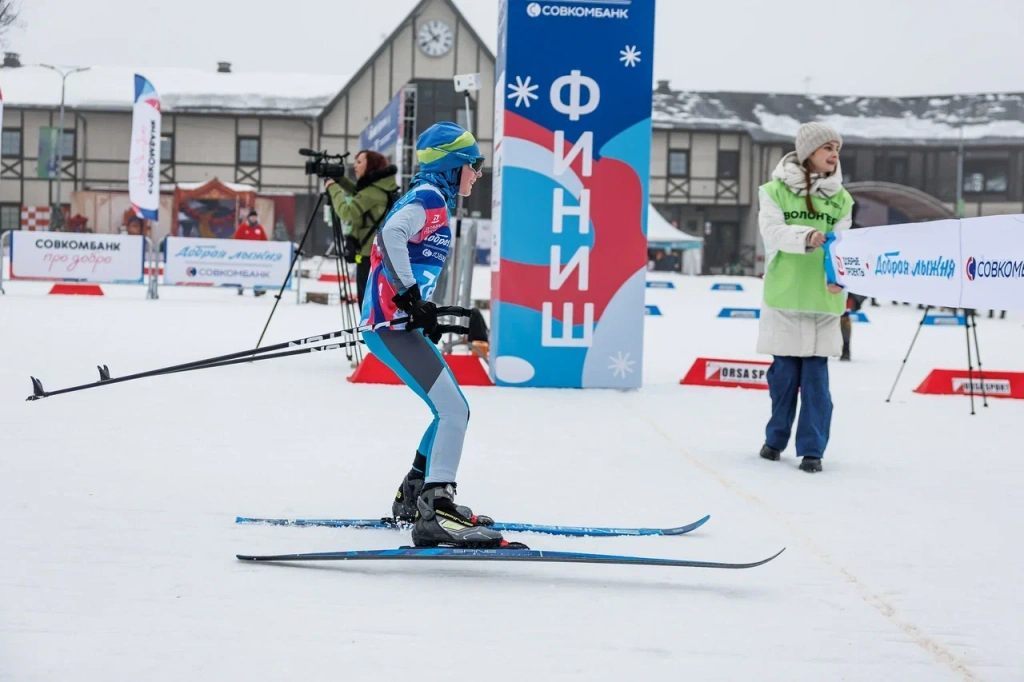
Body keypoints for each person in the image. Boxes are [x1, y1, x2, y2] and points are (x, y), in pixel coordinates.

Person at [359, 121, 496, 548]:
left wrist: (418, 309)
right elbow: (391, 235)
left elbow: (399, 248)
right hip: (391, 330)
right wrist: (411, 298)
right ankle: (435, 509)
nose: (477, 171)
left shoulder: (432, 198)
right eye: (473, 163)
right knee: (454, 411)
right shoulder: (429, 197)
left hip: (397, 328)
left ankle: (417, 495)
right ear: (454, 166)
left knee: (451, 410)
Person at [756, 122, 853, 474]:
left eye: (837, 149)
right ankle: (775, 439)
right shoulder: (772, 190)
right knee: (783, 378)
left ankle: (812, 449)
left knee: (816, 382)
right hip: (785, 294)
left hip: (823, 299)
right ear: (809, 151)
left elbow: (844, 245)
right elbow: (772, 231)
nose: (834, 155)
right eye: (827, 148)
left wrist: (839, 278)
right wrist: (806, 235)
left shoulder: (842, 199)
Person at [324, 150, 399, 309]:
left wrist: (333, 187)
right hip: (379, 254)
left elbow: (346, 212)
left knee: (367, 306)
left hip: (369, 257)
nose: (354, 166)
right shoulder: (380, 187)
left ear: (370, 165)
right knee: (373, 304)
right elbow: (361, 193)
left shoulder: (372, 192)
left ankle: (369, 332)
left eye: (359, 162)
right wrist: (341, 180)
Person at [234, 209, 268, 296]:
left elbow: (264, 239)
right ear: (249, 217)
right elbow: (236, 239)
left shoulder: (259, 228)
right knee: (242, 271)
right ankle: (240, 288)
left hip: (256, 255)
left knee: (257, 271)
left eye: (255, 217)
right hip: (244, 254)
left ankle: (257, 289)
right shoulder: (243, 227)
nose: (253, 218)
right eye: (252, 217)